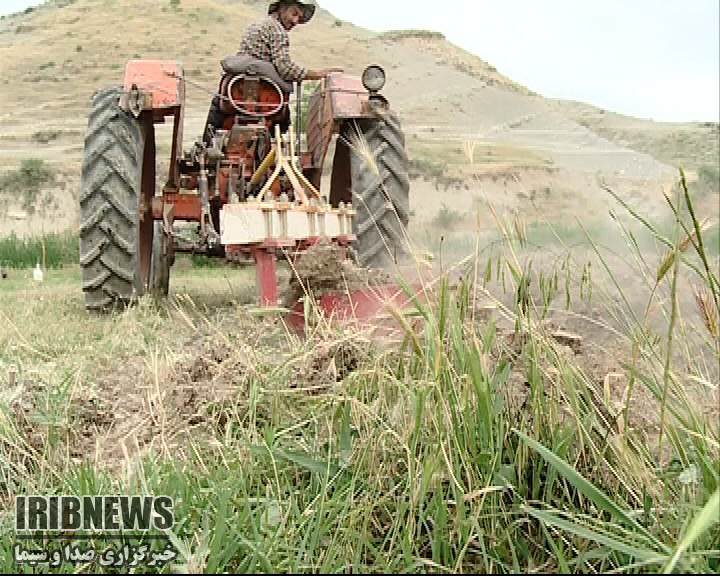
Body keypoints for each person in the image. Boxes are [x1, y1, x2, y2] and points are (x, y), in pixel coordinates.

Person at [203, 0, 342, 142]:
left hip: (238, 89)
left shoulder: (257, 25)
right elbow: (285, 69)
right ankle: (277, 146)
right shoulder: (277, 30)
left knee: (217, 105)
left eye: (299, 18)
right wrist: (317, 74)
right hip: (264, 93)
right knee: (284, 117)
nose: (295, 21)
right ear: (282, 7)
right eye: (294, 14)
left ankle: (207, 142)